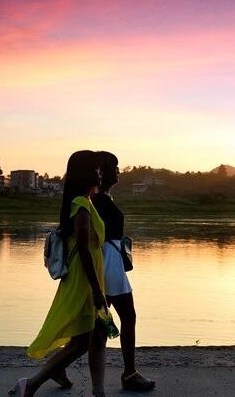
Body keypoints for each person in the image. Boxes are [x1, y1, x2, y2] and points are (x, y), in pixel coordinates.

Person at [54, 151, 156, 391]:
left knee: (101, 324)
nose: (119, 171)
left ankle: (61, 366)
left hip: (111, 263)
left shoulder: (101, 198)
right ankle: (128, 374)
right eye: (115, 168)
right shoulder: (97, 200)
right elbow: (90, 239)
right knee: (113, 321)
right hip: (108, 265)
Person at [10, 150, 109, 397]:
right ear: (86, 172)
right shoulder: (81, 205)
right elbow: (84, 250)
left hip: (90, 276)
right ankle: (31, 383)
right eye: (96, 168)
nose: (100, 172)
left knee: (96, 334)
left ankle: (97, 391)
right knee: (83, 340)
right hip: (84, 279)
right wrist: (97, 291)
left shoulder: (86, 202)